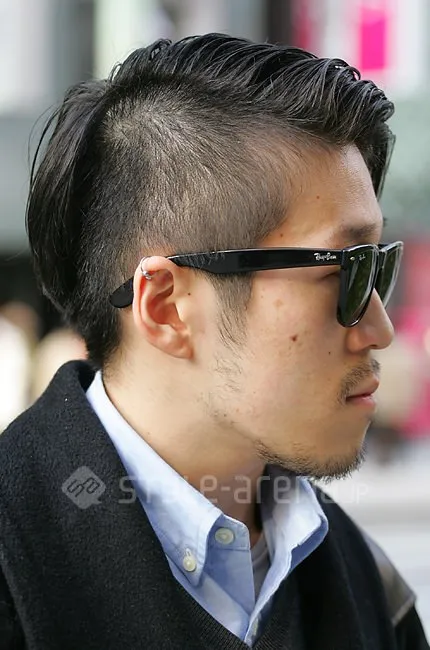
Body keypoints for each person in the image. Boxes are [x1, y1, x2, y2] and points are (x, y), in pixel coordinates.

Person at [0, 34, 427, 650]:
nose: (379, 329)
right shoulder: (18, 570)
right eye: (344, 271)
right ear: (167, 306)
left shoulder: (367, 589)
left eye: (376, 266)